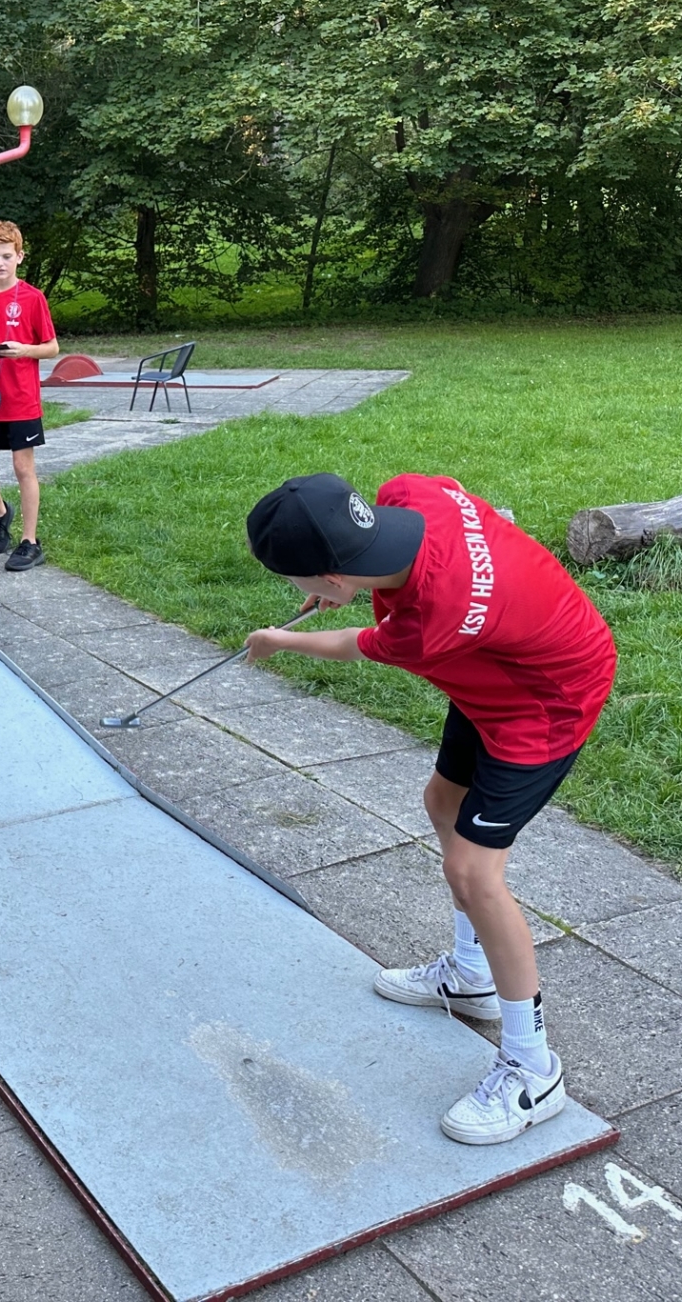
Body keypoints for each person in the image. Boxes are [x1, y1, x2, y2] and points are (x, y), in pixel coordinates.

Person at [242, 472, 616, 1145]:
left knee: (475, 873)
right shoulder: (413, 494)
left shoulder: (434, 622)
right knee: (443, 801)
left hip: (546, 699)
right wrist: (352, 581)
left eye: (302, 583)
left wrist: (279, 639)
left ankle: (533, 1069)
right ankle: (472, 976)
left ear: (330, 577)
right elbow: (464, 509)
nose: (302, 594)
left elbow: (357, 644)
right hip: (496, 666)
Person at [0, 220, 59, 572]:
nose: (0, 263)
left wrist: (24, 350)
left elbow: (52, 347)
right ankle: (0, 512)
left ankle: (30, 542)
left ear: (19, 256)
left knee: (23, 467)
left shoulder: (33, 298)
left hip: (21, 398)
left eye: (6, 256)